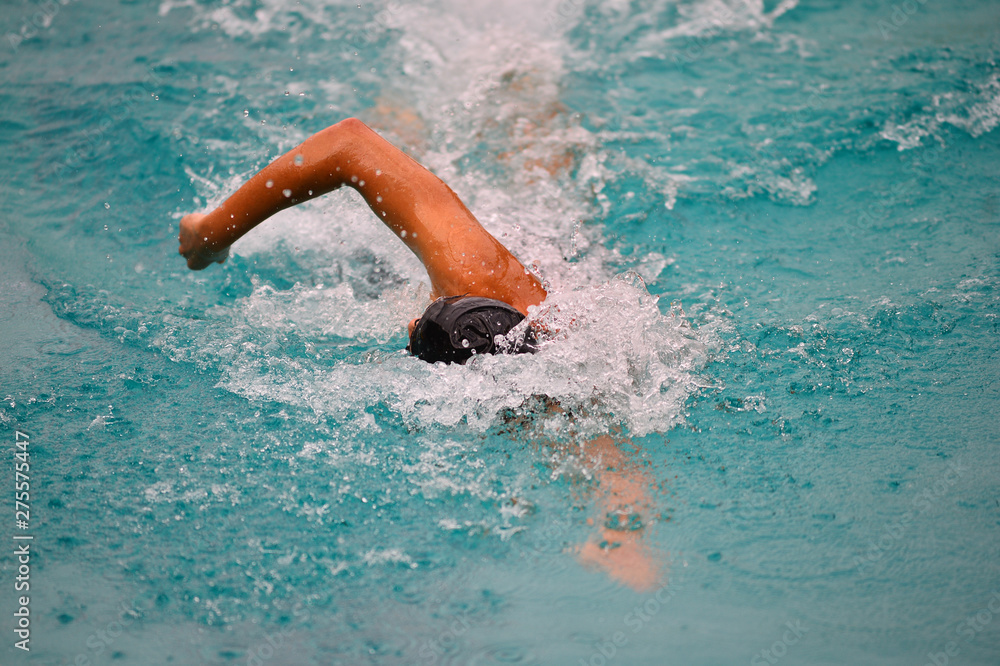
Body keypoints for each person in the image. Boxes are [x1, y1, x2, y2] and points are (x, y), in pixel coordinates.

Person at [178, 117, 547, 363]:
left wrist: (209, 240)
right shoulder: (476, 270)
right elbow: (349, 144)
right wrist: (209, 235)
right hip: (524, 236)